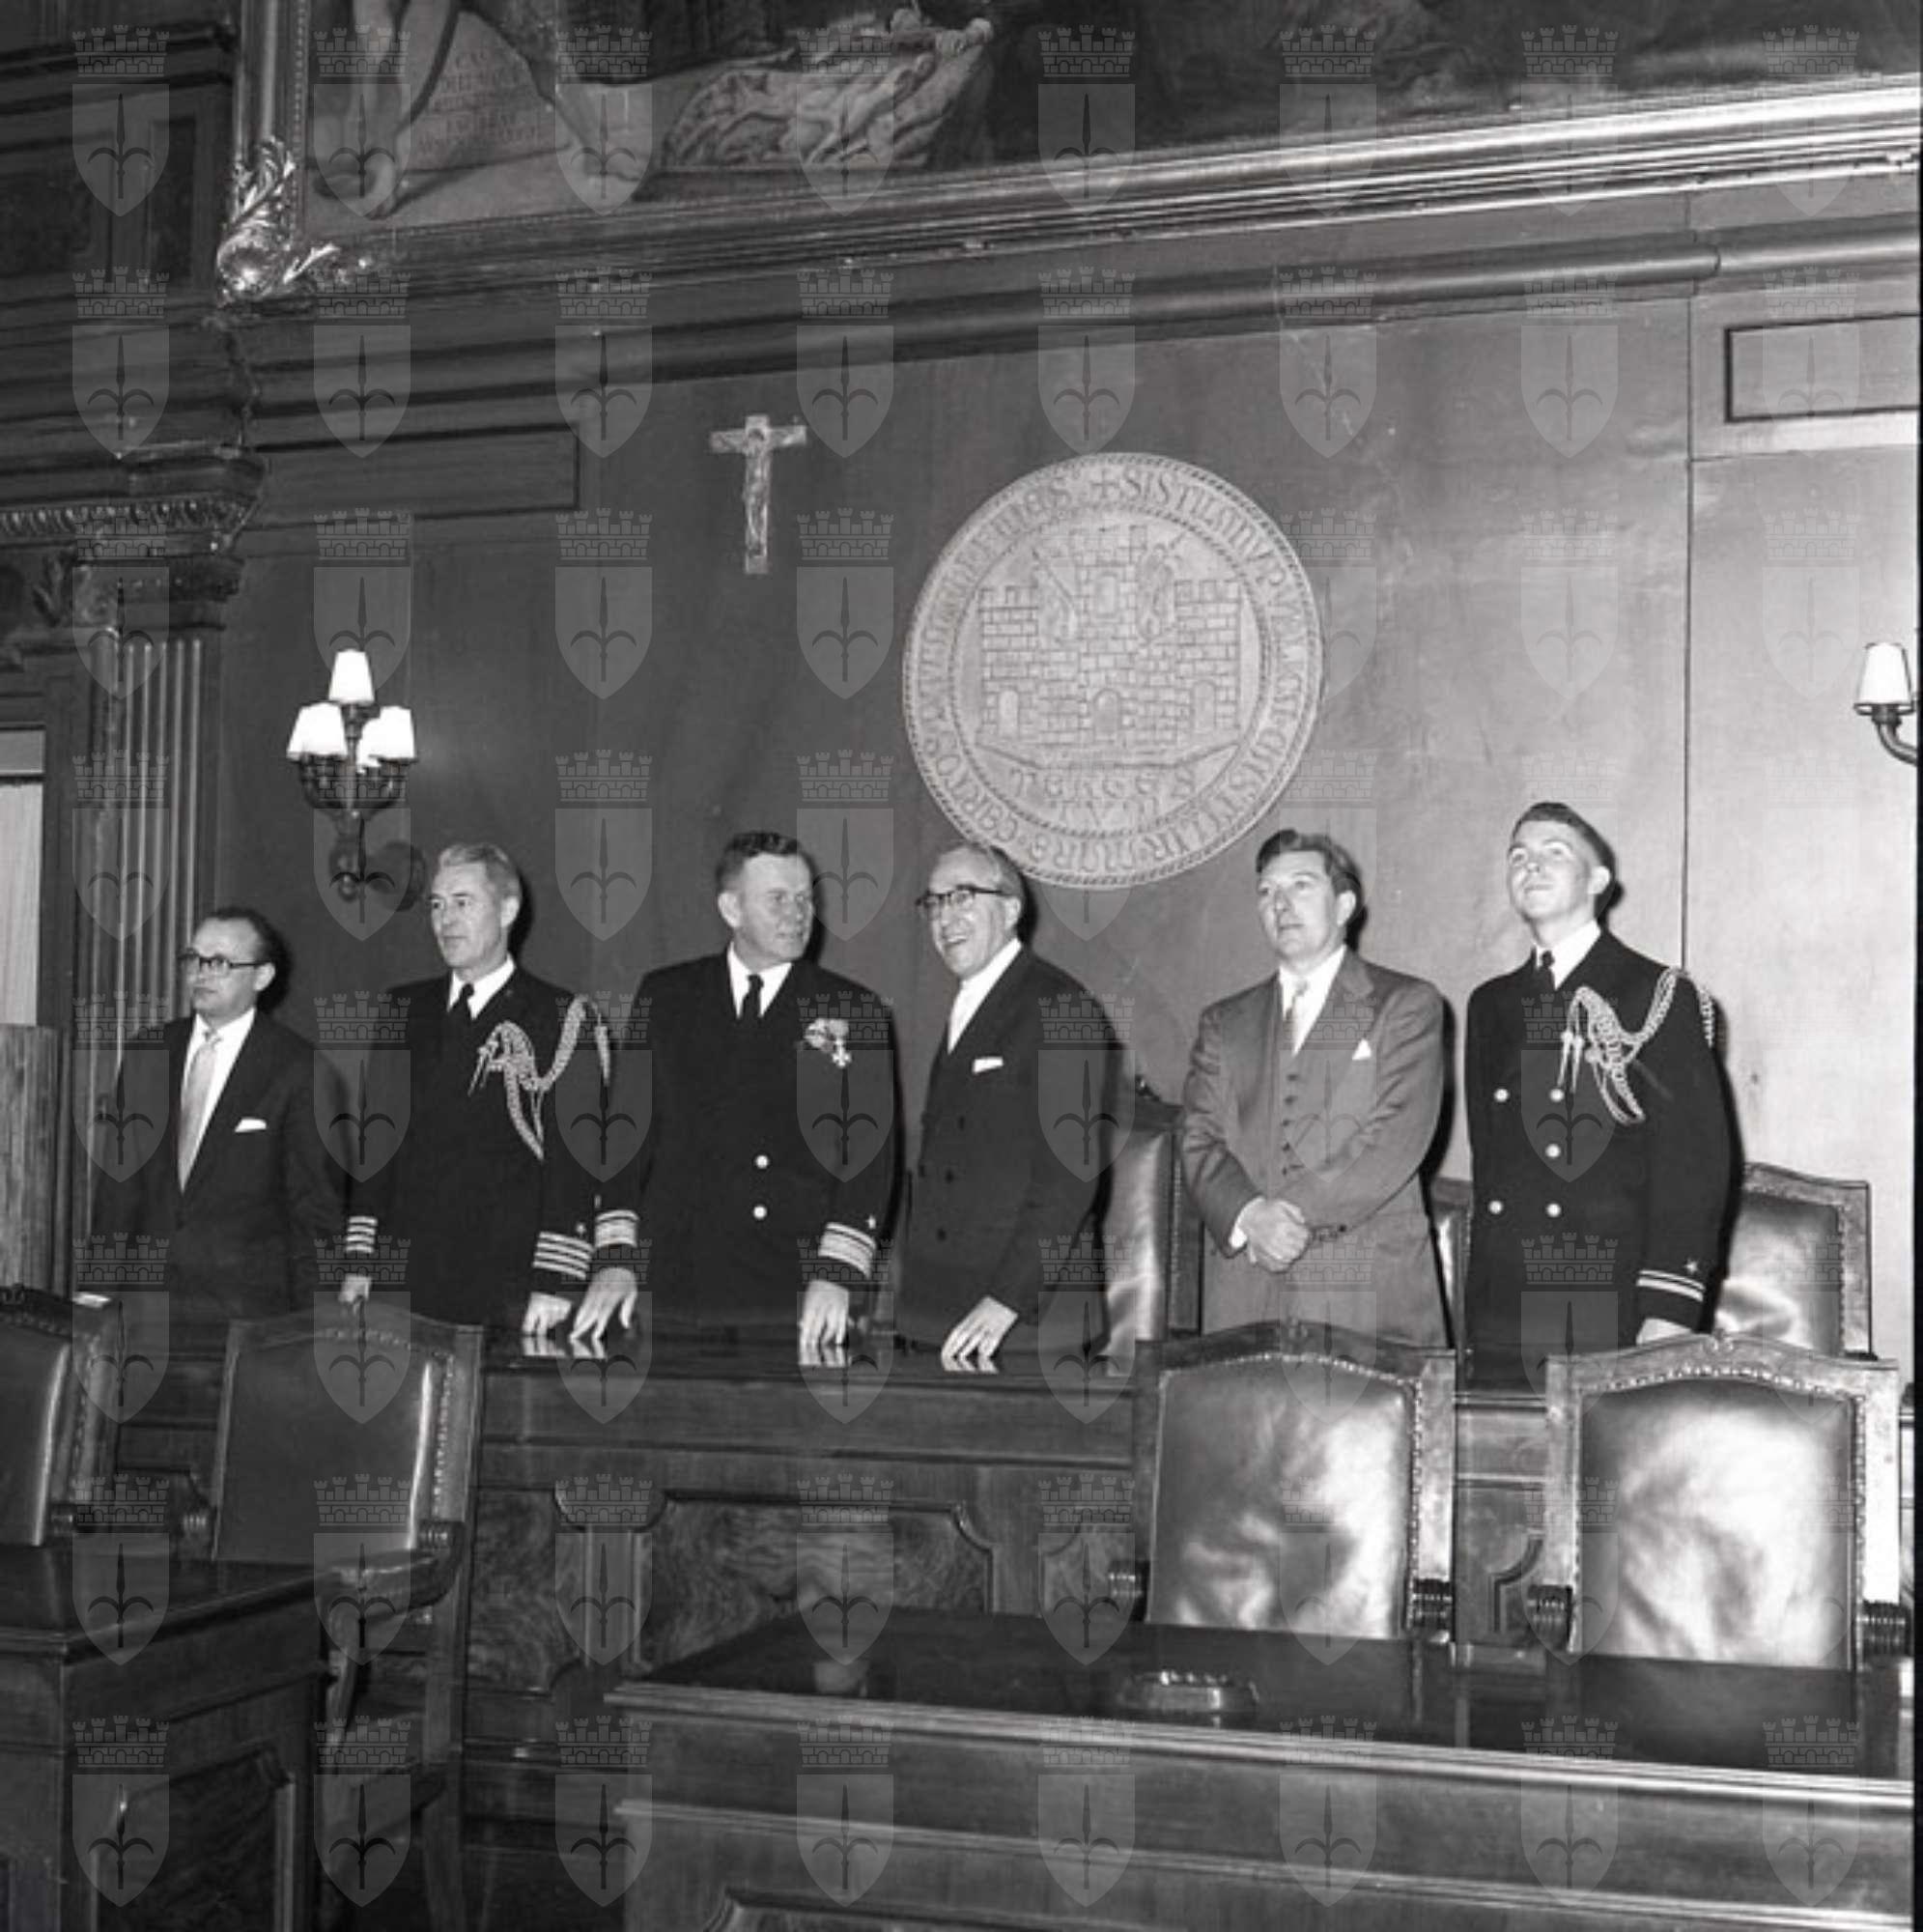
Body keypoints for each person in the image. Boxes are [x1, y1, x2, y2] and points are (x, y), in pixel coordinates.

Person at [572, 832, 896, 1350]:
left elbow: (870, 1162)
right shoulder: (668, 996)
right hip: (676, 1281)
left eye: (805, 899)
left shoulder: (851, 1009)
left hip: (792, 1288)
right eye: (777, 899)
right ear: (731, 908)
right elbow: (626, 1141)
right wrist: (615, 1259)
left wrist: (837, 1273)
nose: (797, 914)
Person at [1463, 803, 1734, 1383]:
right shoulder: (1491, 1005)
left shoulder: (1656, 994)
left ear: (1597, 880)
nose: (1531, 866)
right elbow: (1492, 1168)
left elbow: (1693, 1164)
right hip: (1504, 1301)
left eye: (1554, 852)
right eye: (1518, 856)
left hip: (1607, 1296)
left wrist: (1670, 1308)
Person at [1180, 830, 1448, 1344]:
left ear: (1344, 905)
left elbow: (1395, 1137)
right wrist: (1248, 1216)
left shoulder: (1403, 1004)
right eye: (1266, 892)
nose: (1280, 904)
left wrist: (1283, 1221)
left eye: (1300, 885)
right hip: (1244, 1296)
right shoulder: (1224, 1022)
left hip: (1365, 1295)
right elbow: (1198, 1136)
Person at [340, 842, 608, 1331]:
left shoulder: (562, 1018)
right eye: (437, 906)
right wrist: (360, 1260)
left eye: (463, 903)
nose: (446, 920)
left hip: (506, 1278)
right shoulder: (404, 1010)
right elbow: (376, 1149)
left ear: (507, 910)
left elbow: (576, 1166)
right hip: (408, 1274)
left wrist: (556, 1281)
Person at [899, 844, 1116, 1371]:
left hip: (1022, 1322)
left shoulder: (1062, 1007)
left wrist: (1006, 1301)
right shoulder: (969, 1000)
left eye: (963, 897)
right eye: (934, 902)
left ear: (1011, 909)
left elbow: (1070, 1177)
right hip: (941, 1313)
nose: (945, 917)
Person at [92, 907, 341, 1321]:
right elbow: (117, 1191)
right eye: (194, 959)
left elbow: (314, 1213)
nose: (201, 973)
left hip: (243, 1314)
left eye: (220, 962)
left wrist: (312, 1326)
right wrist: (95, 1293)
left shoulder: (299, 1069)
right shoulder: (148, 1053)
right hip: (144, 1309)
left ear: (262, 976)